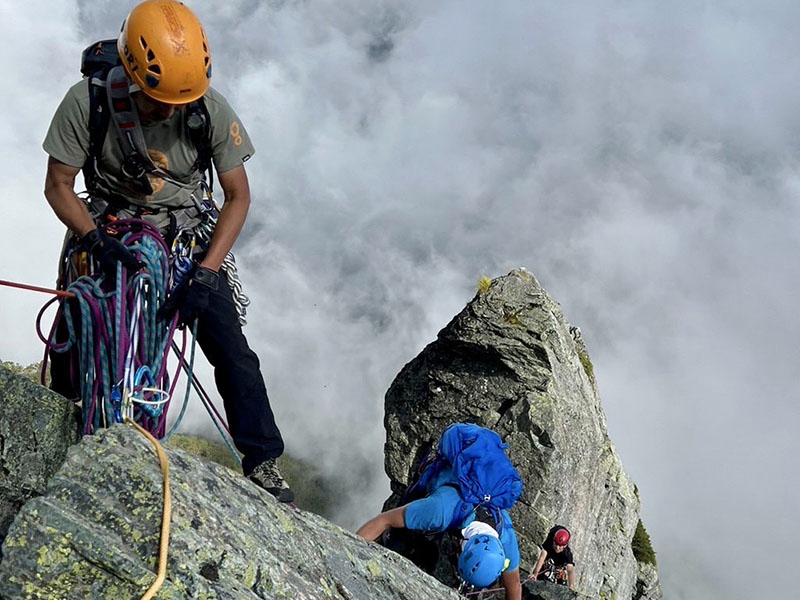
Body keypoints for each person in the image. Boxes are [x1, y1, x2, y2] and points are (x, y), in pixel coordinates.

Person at [42, 0, 294, 502]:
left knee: (232, 350)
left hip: (186, 244)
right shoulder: (88, 102)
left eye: (180, 101)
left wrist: (207, 273)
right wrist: (94, 240)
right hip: (109, 233)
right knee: (77, 331)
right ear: (131, 75)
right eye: (158, 101)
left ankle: (263, 459)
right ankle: (60, 426)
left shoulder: (207, 108)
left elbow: (238, 197)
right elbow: (58, 185)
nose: (171, 111)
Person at [356, 424, 523, 600]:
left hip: (461, 508)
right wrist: (349, 551)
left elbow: (514, 585)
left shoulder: (505, 539)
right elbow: (384, 520)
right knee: (398, 543)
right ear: (462, 545)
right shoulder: (440, 511)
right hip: (439, 489)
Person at [531, 525, 575, 590]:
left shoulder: (567, 553)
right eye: (556, 544)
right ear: (553, 541)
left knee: (561, 574)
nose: (557, 548)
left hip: (560, 560)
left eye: (560, 546)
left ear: (565, 545)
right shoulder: (549, 542)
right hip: (551, 548)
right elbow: (542, 556)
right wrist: (535, 573)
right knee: (542, 568)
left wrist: (571, 587)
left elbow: (570, 570)